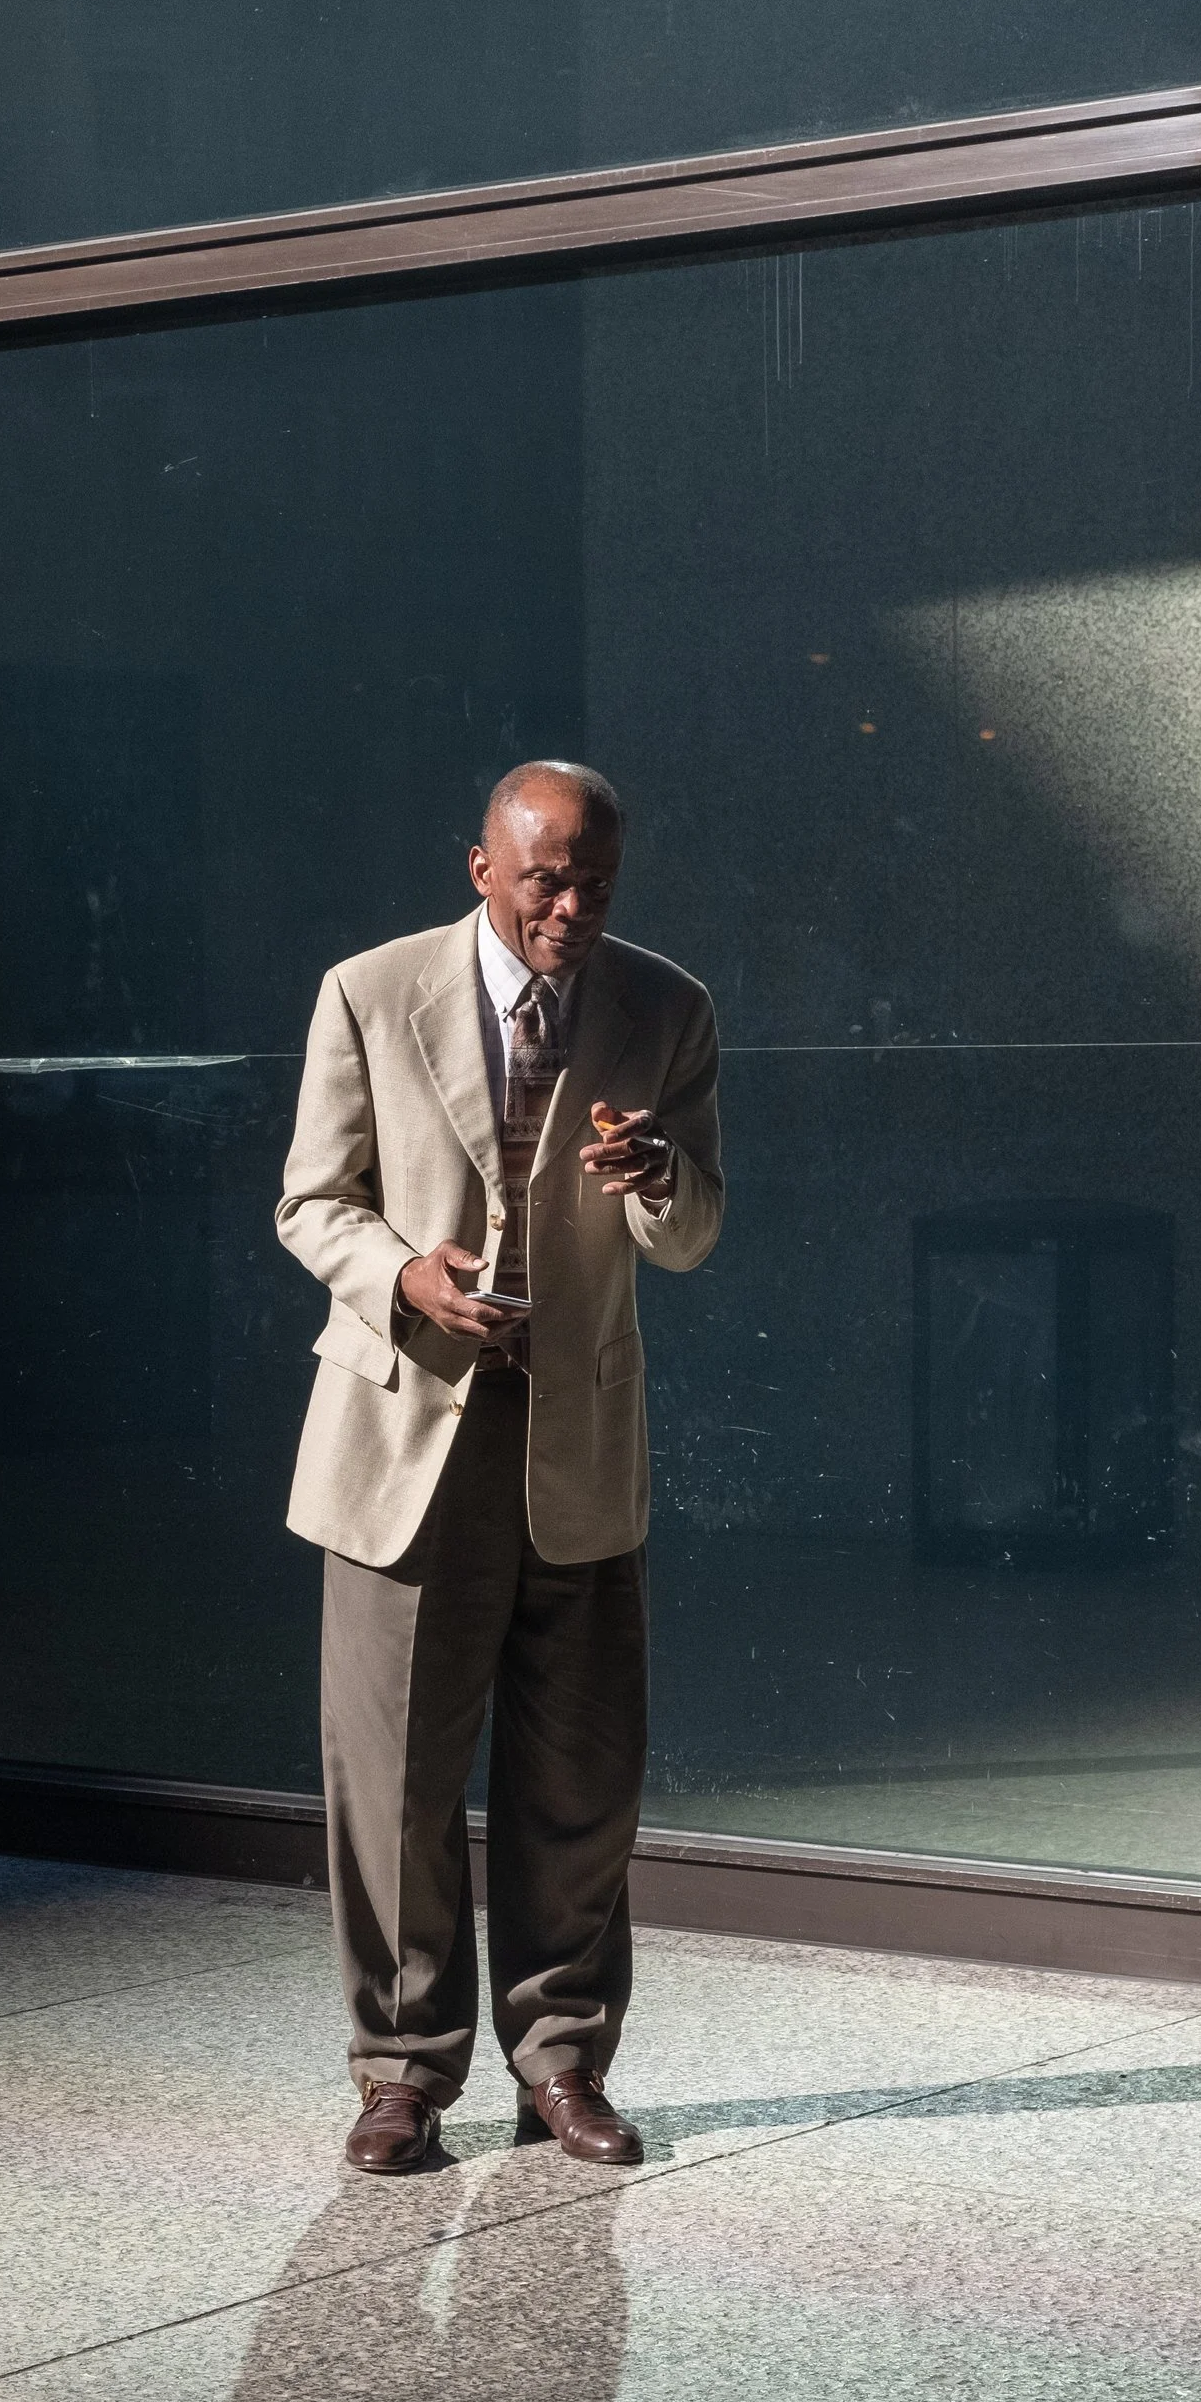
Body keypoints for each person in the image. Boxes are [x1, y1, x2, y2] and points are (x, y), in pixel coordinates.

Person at [275, 759, 723, 2175]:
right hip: (410, 1437)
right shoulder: (370, 989)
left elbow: (696, 1232)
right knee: (395, 1785)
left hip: (576, 1441)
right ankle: (403, 2070)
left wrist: (658, 1177)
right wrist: (408, 1275)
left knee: (579, 1779)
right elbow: (310, 1200)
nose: (573, 906)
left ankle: (564, 2063)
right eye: (545, 879)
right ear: (482, 867)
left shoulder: (667, 1008)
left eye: (596, 880)